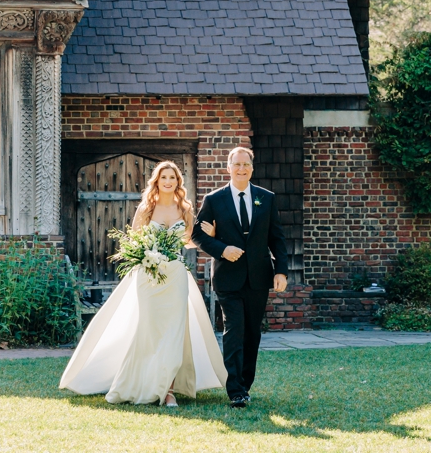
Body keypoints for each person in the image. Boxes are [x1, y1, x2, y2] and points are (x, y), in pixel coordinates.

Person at [59, 161, 226, 406]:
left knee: (174, 333)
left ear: (178, 182)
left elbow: (190, 242)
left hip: (176, 275)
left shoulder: (185, 209)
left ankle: (168, 390)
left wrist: (210, 235)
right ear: (157, 181)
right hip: (149, 276)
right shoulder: (146, 209)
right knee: (150, 331)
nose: (168, 181)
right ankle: (142, 381)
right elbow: (134, 243)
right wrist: (148, 257)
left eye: (173, 177)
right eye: (164, 177)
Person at [192, 146, 289, 408]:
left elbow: (276, 237)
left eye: (246, 164)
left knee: (251, 334)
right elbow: (197, 235)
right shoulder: (214, 199)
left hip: (259, 277)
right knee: (234, 330)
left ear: (252, 168)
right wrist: (222, 249)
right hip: (227, 278)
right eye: (237, 164)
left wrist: (281, 270)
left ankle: (245, 384)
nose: (241, 169)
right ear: (228, 167)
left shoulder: (266, 198)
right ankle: (234, 389)